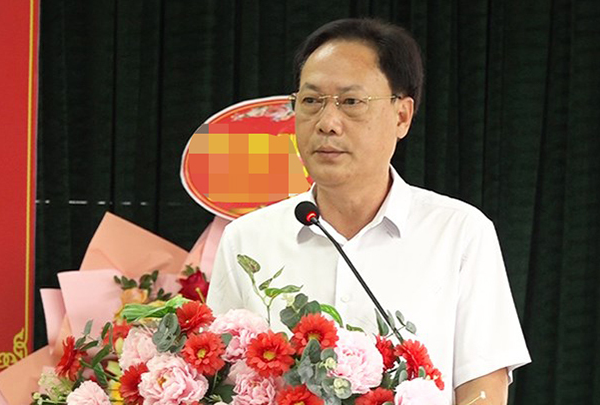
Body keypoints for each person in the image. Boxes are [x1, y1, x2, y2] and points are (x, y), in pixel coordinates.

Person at [207, 18, 530, 404]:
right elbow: (221, 381)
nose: (327, 123)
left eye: (351, 102)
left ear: (402, 116)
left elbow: (483, 385)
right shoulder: (247, 240)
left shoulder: (459, 232)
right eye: (311, 101)